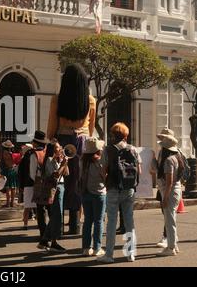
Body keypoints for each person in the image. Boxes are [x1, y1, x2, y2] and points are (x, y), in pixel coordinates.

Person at [47, 63, 96, 235]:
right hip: (81, 143)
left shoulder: (57, 99)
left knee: (58, 182)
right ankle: (75, 223)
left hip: (62, 141)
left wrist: (53, 140)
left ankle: (57, 226)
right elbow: (91, 128)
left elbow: (51, 128)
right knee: (77, 182)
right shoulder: (90, 100)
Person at [97, 123, 141, 264]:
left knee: (111, 222)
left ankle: (109, 255)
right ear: (125, 135)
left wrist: (107, 181)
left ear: (112, 135)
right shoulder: (133, 149)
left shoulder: (108, 150)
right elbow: (138, 171)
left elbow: (103, 170)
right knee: (129, 221)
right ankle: (131, 253)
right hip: (129, 189)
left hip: (113, 189)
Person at [35, 139, 68, 252]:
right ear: (53, 150)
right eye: (58, 148)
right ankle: (53, 241)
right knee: (57, 214)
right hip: (55, 188)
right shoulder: (49, 160)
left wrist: (64, 162)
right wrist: (62, 164)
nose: (60, 149)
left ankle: (45, 240)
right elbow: (56, 175)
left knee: (56, 215)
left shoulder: (57, 159)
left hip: (61, 186)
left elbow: (66, 173)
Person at [156, 130, 184, 256]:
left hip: (171, 192)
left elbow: (169, 182)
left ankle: (171, 247)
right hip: (177, 190)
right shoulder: (177, 156)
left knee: (170, 220)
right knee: (171, 219)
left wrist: (165, 198)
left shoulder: (168, 160)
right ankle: (174, 245)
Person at [80, 137, 107, 257]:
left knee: (87, 221)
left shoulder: (83, 161)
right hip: (99, 193)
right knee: (98, 221)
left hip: (85, 193)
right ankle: (97, 247)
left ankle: (86, 248)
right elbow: (104, 177)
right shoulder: (100, 162)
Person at [22, 131, 47, 230]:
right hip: (49, 184)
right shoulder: (47, 153)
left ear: (36, 143)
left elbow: (32, 174)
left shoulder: (34, 155)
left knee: (40, 209)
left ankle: (43, 233)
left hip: (38, 183)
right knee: (48, 209)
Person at [0, 140, 18, 208]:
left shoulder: (4, 153)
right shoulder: (12, 154)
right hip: (13, 170)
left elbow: (4, 163)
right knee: (13, 187)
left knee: (8, 188)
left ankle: (8, 203)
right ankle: (12, 203)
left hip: (7, 171)